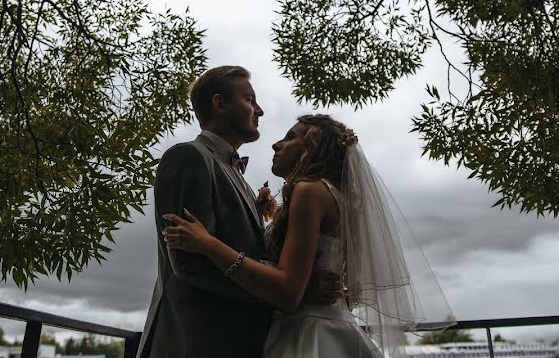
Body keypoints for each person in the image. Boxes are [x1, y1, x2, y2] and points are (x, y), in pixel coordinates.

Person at [163, 114, 456, 358]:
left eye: (290, 137)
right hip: (333, 327)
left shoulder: (308, 190)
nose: (277, 144)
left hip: (306, 335)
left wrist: (209, 244)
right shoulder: (336, 196)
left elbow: (288, 292)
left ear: (311, 148)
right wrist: (274, 220)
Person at [137, 67, 341, 358]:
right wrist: (295, 291)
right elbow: (189, 264)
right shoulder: (188, 157)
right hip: (195, 342)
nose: (259, 110)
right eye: (250, 100)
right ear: (219, 104)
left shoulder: (243, 182)